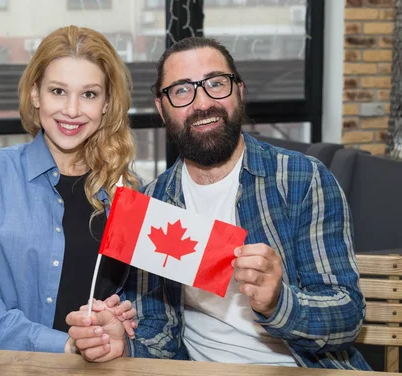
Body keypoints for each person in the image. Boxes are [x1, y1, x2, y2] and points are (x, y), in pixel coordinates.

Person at [66, 36, 371, 370]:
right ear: (161, 108)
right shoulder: (152, 205)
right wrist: (124, 342)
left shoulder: (302, 179)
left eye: (216, 83)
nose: (202, 103)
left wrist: (278, 301)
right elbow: (161, 332)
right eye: (182, 90)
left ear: (239, 91)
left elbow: (346, 317)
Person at [0, 25, 140, 354]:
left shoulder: (123, 189)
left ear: (107, 103)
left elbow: (136, 303)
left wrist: (119, 324)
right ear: (35, 94)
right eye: (58, 91)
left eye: (89, 94)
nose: (72, 110)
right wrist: (65, 346)